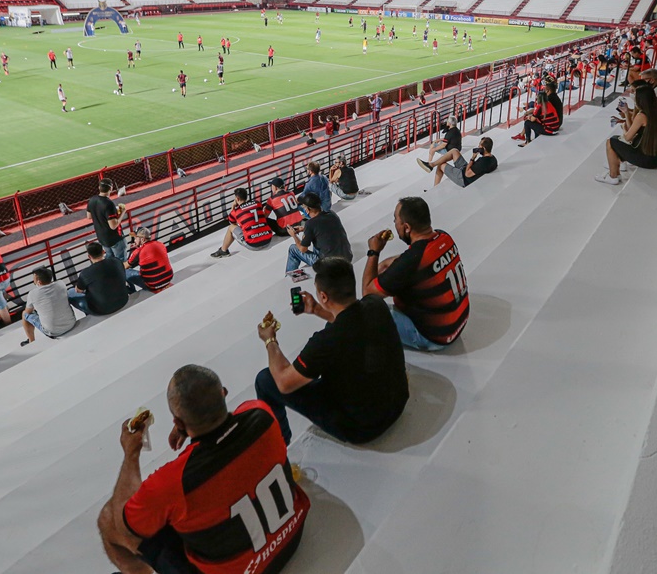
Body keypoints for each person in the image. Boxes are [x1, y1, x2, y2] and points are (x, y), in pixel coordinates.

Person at [97, 365, 309, 574]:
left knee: (110, 519)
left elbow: (125, 525)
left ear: (177, 421)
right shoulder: (260, 412)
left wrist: (131, 454)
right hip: (292, 539)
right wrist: (192, 424)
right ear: (224, 393)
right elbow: (225, 430)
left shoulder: (172, 481)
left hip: (247, 569)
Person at [255, 257, 409, 445]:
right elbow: (350, 322)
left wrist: (270, 340)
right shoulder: (376, 304)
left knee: (265, 380)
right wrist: (317, 310)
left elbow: (284, 383)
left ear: (324, 296)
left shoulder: (325, 342)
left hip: (362, 428)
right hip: (398, 403)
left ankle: (280, 442)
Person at [363, 197, 470, 350]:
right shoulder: (443, 237)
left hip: (435, 337)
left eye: (395, 220)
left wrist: (373, 252)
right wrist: (390, 263)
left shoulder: (410, 263)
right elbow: (413, 258)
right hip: (459, 322)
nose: (394, 224)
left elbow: (368, 293)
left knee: (367, 310)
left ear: (406, 227)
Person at [596, 84, 657, 184]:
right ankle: (616, 172)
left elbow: (628, 138)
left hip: (646, 159)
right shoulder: (656, 113)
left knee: (611, 141)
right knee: (616, 141)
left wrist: (623, 131)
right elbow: (632, 129)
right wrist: (626, 112)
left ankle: (613, 176)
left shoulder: (642, 116)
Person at [286, 193, 353, 273]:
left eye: (304, 207)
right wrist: (304, 229)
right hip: (347, 258)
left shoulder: (310, 223)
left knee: (293, 249)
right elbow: (323, 227)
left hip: (329, 265)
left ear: (308, 209)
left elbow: (302, 249)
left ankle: (289, 276)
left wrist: (294, 235)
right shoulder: (332, 214)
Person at [20, 267, 78, 345]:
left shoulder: (33, 294)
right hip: (71, 323)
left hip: (53, 332)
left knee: (24, 314)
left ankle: (31, 341)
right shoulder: (61, 283)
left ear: (39, 282)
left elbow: (28, 312)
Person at [69, 241, 130, 316]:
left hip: (102, 309)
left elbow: (78, 290)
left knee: (71, 292)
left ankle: (88, 314)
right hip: (123, 300)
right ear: (103, 252)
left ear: (89, 256)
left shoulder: (86, 273)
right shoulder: (116, 261)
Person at [210, 188, 274, 258]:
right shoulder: (257, 203)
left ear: (237, 198)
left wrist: (233, 207)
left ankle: (223, 250)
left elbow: (232, 222)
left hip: (254, 244)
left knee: (231, 228)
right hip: (268, 240)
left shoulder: (236, 211)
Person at [418, 137, 497, 188]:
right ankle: (431, 165)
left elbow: (467, 174)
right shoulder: (493, 159)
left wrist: (472, 158)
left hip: (463, 178)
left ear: (483, 148)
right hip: (467, 169)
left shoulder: (483, 162)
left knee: (441, 165)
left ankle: (434, 188)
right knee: (454, 151)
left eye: (479, 146)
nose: (478, 147)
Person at [87, 179, 128, 261]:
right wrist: (122, 213)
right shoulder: (108, 204)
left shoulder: (92, 200)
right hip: (114, 238)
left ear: (99, 187)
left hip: (102, 238)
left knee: (109, 260)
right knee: (121, 262)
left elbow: (89, 216)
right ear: (111, 188)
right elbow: (113, 226)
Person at [124, 228, 174, 292]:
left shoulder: (138, 251)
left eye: (136, 238)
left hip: (153, 285)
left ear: (142, 239)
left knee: (124, 271)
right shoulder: (160, 244)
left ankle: (131, 292)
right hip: (168, 279)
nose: (134, 240)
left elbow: (125, 266)